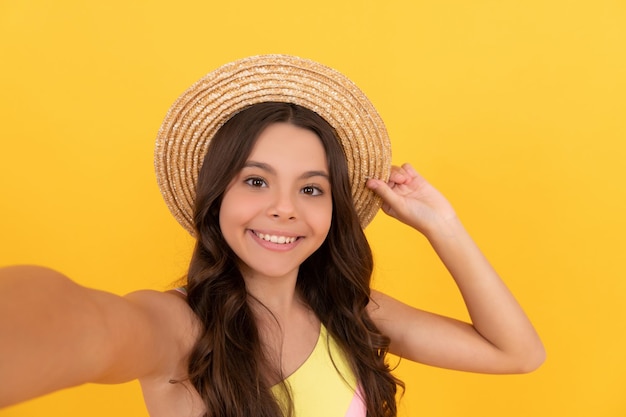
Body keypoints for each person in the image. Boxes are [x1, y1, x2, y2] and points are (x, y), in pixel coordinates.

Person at [0, 55, 545, 417]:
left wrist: (442, 225)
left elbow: (517, 354)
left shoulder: (354, 313)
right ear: (217, 199)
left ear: (333, 211)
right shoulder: (180, 327)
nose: (284, 209)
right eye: (256, 181)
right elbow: (83, 325)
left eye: (312, 189)